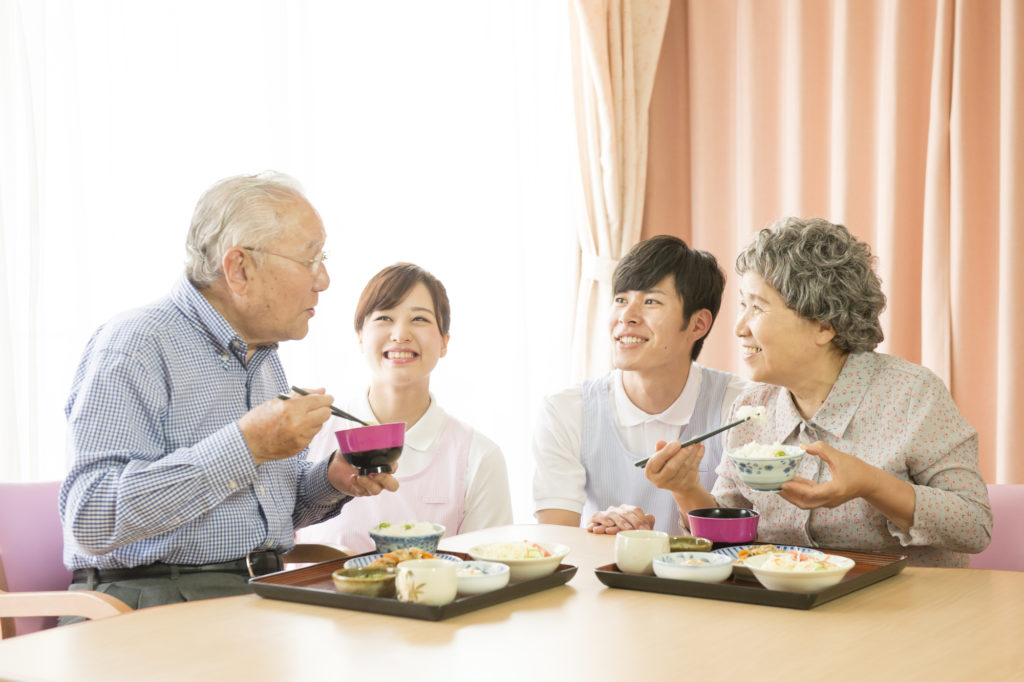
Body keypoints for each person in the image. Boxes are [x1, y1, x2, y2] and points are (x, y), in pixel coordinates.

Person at [59, 172, 399, 613]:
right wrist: (246, 445)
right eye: (311, 259)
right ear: (239, 268)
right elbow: (91, 517)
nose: (325, 280)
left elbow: (263, 512)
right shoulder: (134, 343)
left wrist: (332, 480)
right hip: (148, 602)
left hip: (259, 589)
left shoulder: (261, 358)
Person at [645, 217, 992, 566]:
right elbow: (729, 544)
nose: (738, 327)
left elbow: (974, 525)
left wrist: (871, 484)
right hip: (789, 608)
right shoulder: (752, 407)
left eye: (758, 307)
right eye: (742, 305)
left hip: (903, 610)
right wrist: (686, 487)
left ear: (823, 326)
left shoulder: (910, 395)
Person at [532, 235, 747, 534]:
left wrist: (686, 490)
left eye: (650, 302)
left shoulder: (740, 407)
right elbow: (555, 542)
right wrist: (597, 529)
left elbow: (743, 546)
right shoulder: (566, 410)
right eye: (620, 299)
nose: (626, 316)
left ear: (698, 324)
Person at [297, 263, 513, 553]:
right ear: (360, 336)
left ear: (444, 342)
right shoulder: (309, 433)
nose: (400, 334)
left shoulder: (479, 457)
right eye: (384, 317)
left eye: (420, 319)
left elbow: (487, 571)